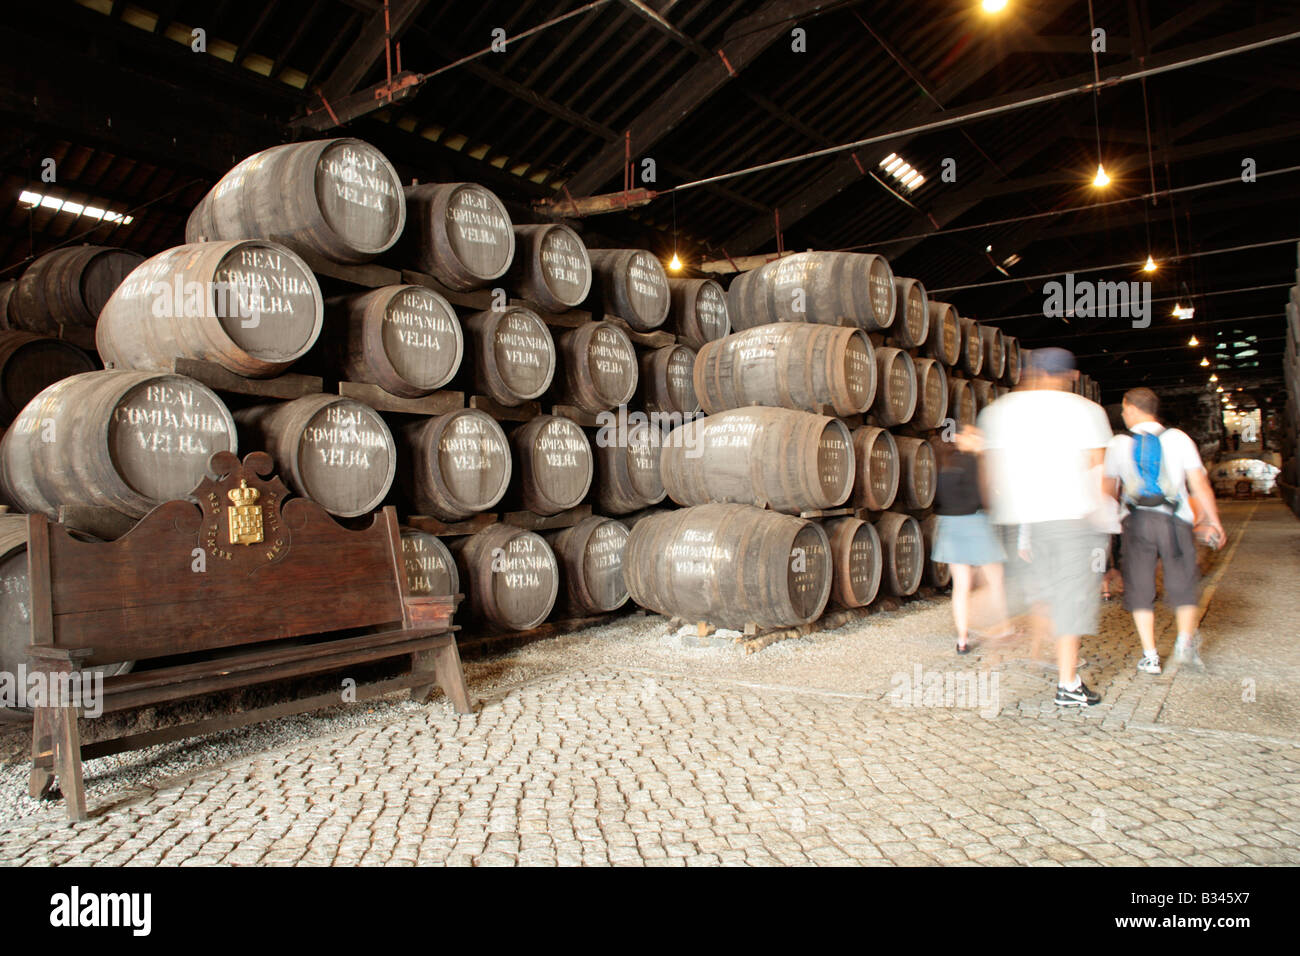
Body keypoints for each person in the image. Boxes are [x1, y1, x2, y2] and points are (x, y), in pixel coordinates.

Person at [978, 347, 1113, 707]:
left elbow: (990, 473)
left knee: (1035, 594)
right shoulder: (1087, 411)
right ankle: (1068, 684)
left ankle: (995, 657)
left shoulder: (1001, 411)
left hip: (1025, 521)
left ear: (1030, 372)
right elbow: (1102, 472)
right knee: (1071, 600)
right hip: (1074, 520)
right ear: (1069, 376)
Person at [1103, 387, 1225, 672]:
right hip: (1176, 519)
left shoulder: (1118, 444)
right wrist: (1212, 519)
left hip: (1138, 522)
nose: (1123, 414)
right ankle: (1184, 643)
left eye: (1123, 410)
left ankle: (1151, 655)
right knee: (1182, 582)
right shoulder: (1179, 438)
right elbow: (1199, 485)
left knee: (1140, 586)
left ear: (1131, 408)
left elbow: (1107, 489)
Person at [930, 424, 1007, 654]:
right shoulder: (977, 463)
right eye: (975, 435)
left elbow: (936, 500)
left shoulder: (946, 463)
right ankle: (1003, 628)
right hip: (975, 523)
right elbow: (985, 498)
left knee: (961, 586)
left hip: (950, 526)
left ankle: (962, 639)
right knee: (995, 578)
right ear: (963, 438)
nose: (979, 440)